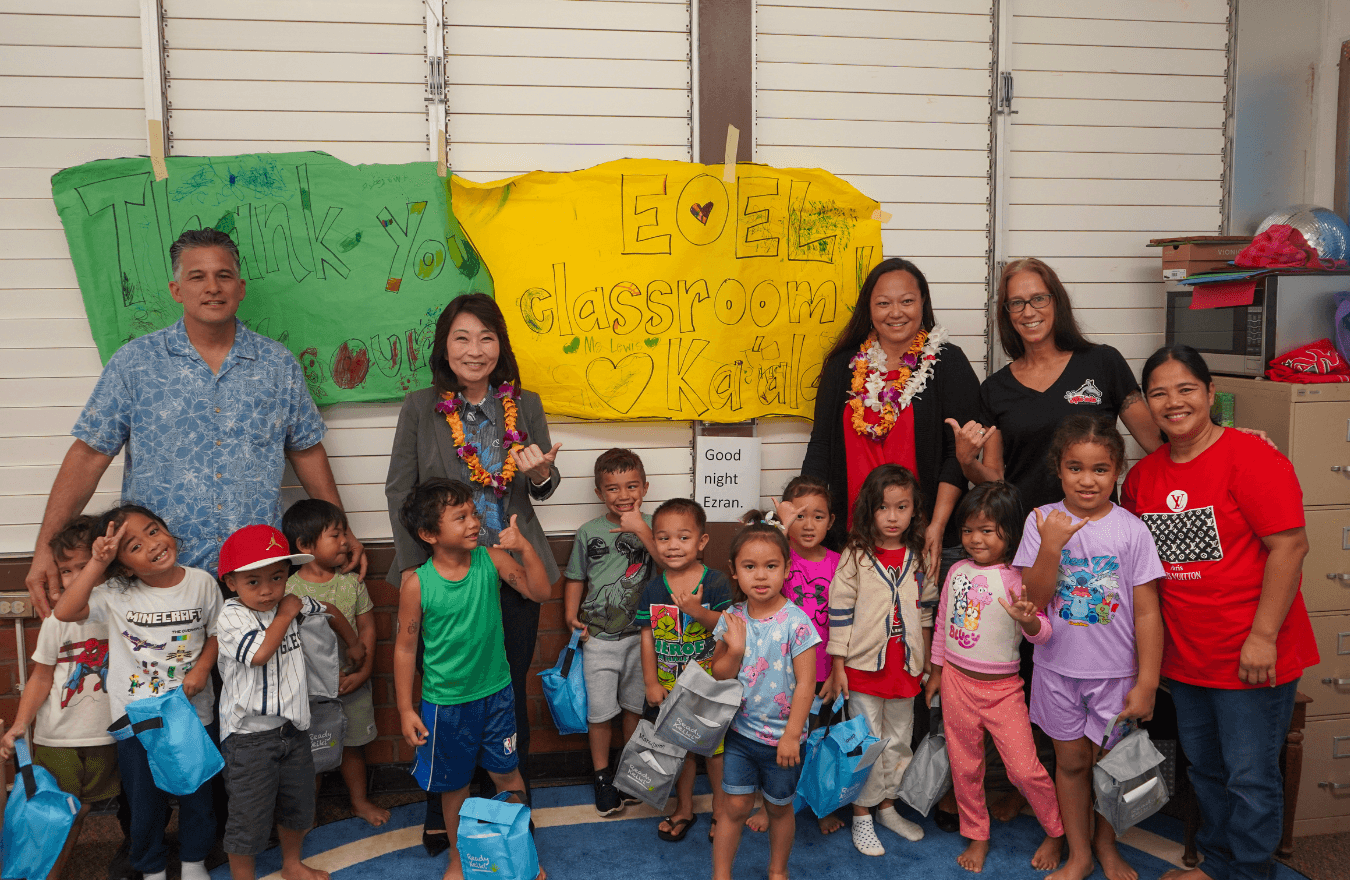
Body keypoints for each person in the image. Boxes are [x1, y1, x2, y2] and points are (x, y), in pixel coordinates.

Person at [26, 228, 365, 615]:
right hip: (161, 580)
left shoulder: (277, 365)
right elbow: (88, 457)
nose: (212, 288)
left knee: (260, 674)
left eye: (223, 276)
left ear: (240, 288)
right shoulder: (136, 363)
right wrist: (44, 551)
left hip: (255, 574)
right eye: (197, 276)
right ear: (176, 290)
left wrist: (341, 528)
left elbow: (307, 450)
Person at [1122, 344, 1316, 880]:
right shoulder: (1144, 478)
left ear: (1210, 394)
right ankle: (1218, 864)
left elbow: (1290, 546)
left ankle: (1251, 872)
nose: (1173, 402)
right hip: (1188, 656)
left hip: (1251, 651)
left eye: (1186, 389)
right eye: (1159, 393)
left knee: (1250, 776)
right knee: (1205, 770)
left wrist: (1263, 636)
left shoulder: (1252, 457)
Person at [384, 292, 561, 848]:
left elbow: (544, 487)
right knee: (447, 694)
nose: (475, 349)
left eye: (486, 337)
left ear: (500, 346)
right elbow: (400, 491)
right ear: (445, 346)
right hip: (449, 572)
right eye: (462, 337)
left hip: (508, 565)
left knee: (505, 688)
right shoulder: (420, 407)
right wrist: (421, 573)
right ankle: (444, 807)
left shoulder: (524, 403)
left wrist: (539, 476)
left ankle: (509, 805)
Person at [1014, 416, 1164, 880]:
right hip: (1057, 671)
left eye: (1100, 469)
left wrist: (1148, 682)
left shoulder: (1132, 531)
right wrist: (1052, 547)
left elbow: (1147, 613)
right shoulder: (1041, 521)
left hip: (1115, 676)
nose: (1087, 479)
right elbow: (1034, 602)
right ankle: (1079, 853)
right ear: (1058, 470)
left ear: (1117, 471)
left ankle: (1106, 844)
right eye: (1075, 467)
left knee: (1111, 767)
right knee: (1072, 763)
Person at [53, 504, 222, 880]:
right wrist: (97, 563)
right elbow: (65, 611)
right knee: (145, 803)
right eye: (133, 545)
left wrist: (202, 668)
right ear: (124, 565)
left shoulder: (202, 582)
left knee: (198, 796)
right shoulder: (115, 591)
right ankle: (152, 868)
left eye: (153, 530)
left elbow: (216, 633)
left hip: (193, 713)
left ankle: (194, 862)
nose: (152, 544)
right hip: (138, 717)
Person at [393, 479, 552, 880]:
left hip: (496, 695)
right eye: (460, 516)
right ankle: (458, 858)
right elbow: (405, 649)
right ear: (429, 534)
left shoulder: (492, 560)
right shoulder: (416, 583)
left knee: (508, 775)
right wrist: (404, 708)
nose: (473, 522)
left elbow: (540, 591)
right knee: (454, 787)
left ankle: (521, 851)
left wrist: (525, 548)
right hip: (445, 705)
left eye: (474, 514)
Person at [802, 256, 981, 582]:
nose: (896, 312)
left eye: (907, 301)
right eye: (883, 303)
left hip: (923, 538)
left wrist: (937, 526)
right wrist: (803, 511)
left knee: (923, 631)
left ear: (922, 303)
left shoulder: (946, 362)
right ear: (868, 309)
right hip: (852, 541)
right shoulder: (844, 364)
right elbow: (822, 445)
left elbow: (960, 454)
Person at [925, 482, 1064, 874]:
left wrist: (1030, 621)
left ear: (1010, 532)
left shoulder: (1019, 577)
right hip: (955, 682)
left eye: (987, 531)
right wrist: (936, 672)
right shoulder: (956, 571)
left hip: (1002, 689)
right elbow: (942, 624)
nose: (975, 539)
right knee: (965, 766)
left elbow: (1045, 633)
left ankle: (1055, 829)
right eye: (969, 530)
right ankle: (977, 834)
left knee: (1024, 769)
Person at [952, 257, 1160, 513]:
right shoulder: (995, 388)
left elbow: (1158, 446)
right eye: (1017, 303)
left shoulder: (1104, 362)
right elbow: (996, 480)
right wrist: (966, 461)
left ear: (1057, 301)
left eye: (1039, 298)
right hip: (1029, 534)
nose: (1028, 312)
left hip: (1096, 535)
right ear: (1006, 313)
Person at [215, 525, 340, 880]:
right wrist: (287, 613)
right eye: (253, 581)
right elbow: (258, 654)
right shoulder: (232, 615)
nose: (268, 589)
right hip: (248, 739)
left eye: (277, 577)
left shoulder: (286, 604)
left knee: (296, 806)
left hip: (293, 731)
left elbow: (322, 608)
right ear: (231, 582)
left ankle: (292, 864)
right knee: (248, 815)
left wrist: (353, 640)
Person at [0, 516, 121, 870]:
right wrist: (21, 723)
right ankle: (47, 872)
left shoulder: (123, 612)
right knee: (59, 813)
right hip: (59, 739)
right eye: (67, 571)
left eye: (85, 566)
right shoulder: (57, 621)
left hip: (110, 737)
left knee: (85, 809)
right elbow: (40, 677)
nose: (74, 577)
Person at [826, 464, 934, 856]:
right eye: (884, 508)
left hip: (904, 669)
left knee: (898, 742)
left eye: (902, 507)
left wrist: (926, 665)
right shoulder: (856, 555)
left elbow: (925, 613)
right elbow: (839, 611)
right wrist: (838, 666)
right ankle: (861, 814)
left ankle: (887, 805)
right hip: (862, 668)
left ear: (914, 510)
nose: (893, 517)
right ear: (869, 510)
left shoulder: (919, 557)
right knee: (863, 744)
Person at [709, 517, 820, 880]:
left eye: (771, 566)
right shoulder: (731, 619)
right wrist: (735, 647)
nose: (760, 576)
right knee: (734, 807)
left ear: (786, 569)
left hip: (783, 742)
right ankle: (721, 875)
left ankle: (777, 870)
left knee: (778, 808)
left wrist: (792, 734)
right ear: (734, 571)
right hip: (740, 735)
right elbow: (719, 673)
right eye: (750, 567)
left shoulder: (797, 622)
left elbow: (807, 684)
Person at [745, 474, 845, 836]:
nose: (808, 524)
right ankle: (765, 803)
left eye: (818, 516)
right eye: (799, 515)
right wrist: (779, 525)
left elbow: (844, 623)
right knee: (770, 739)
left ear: (831, 521)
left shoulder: (838, 563)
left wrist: (837, 670)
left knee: (816, 741)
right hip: (775, 671)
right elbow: (754, 540)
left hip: (819, 673)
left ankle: (819, 804)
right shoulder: (778, 557)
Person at [561, 448, 657, 817]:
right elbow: (575, 577)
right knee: (600, 713)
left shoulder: (654, 526)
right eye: (613, 488)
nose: (623, 495)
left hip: (641, 639)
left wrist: (643, 531)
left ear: (645, 487)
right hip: (598, 639)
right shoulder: (589, 532)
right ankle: (602, 775)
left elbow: (667, 566)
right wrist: (571, 616)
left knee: (635, 708)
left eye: (631, 486)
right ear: (600, 492)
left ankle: (627, 772)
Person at [282, 499, 388, 827]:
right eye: (335, 535)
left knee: (353, 746)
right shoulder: (289, 589)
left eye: (344, 533)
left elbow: (367, 626)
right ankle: (307, 812)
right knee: (308, 753)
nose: (346, 541)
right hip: (309, 693)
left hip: (351, 682)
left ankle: (359, 801)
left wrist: (366, 669)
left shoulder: (351, 582)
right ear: (304, 545)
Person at [635, 498, 731, 843]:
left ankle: (721, 812)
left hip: (708, 689)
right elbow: (646, 637)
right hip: (669, 689)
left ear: (701, 541)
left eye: (683, 537)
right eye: (663, 538)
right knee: (680, 752)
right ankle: (684, 807)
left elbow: (728, 627)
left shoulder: (716, 582)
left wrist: (697, 610)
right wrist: (650, 681)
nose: (673, 546)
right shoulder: (653, 587)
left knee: (715, 753)